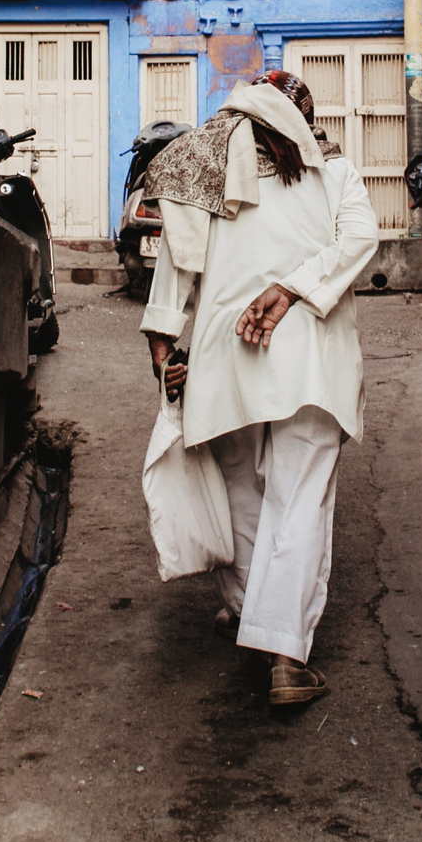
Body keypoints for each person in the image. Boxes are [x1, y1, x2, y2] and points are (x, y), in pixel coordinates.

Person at [140, 70, 379, 706]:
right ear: (304, 120)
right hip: (308, 359)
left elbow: (174, 268)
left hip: (225, 359)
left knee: (243, 492)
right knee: (298, 498)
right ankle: (283, 654)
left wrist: (164, 344)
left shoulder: (201, 171)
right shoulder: (333, 172)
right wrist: (295, 287)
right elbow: (361, 239)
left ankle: (250, 610)